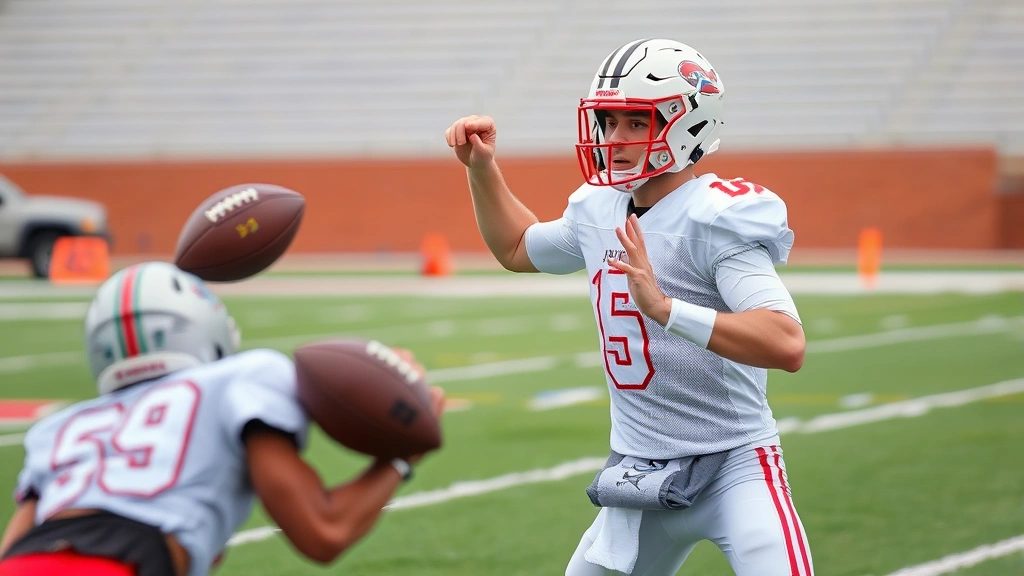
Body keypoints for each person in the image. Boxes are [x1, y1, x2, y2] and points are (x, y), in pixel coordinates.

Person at [445, 38, 812, 576]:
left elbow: (786, 342)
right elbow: (518, 248)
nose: (614, 139)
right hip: (640, 472)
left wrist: (666, 309)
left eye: (635, 124)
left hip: (736, 467)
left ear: (687, 124)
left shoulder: (712, 218)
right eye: (609, 121)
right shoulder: (598, 208)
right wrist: (481, 169)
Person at [0, 261, 445, 576]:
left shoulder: (58, 428)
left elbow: (12, 550)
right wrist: (402, 454)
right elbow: (323, 531)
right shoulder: (243, 377)